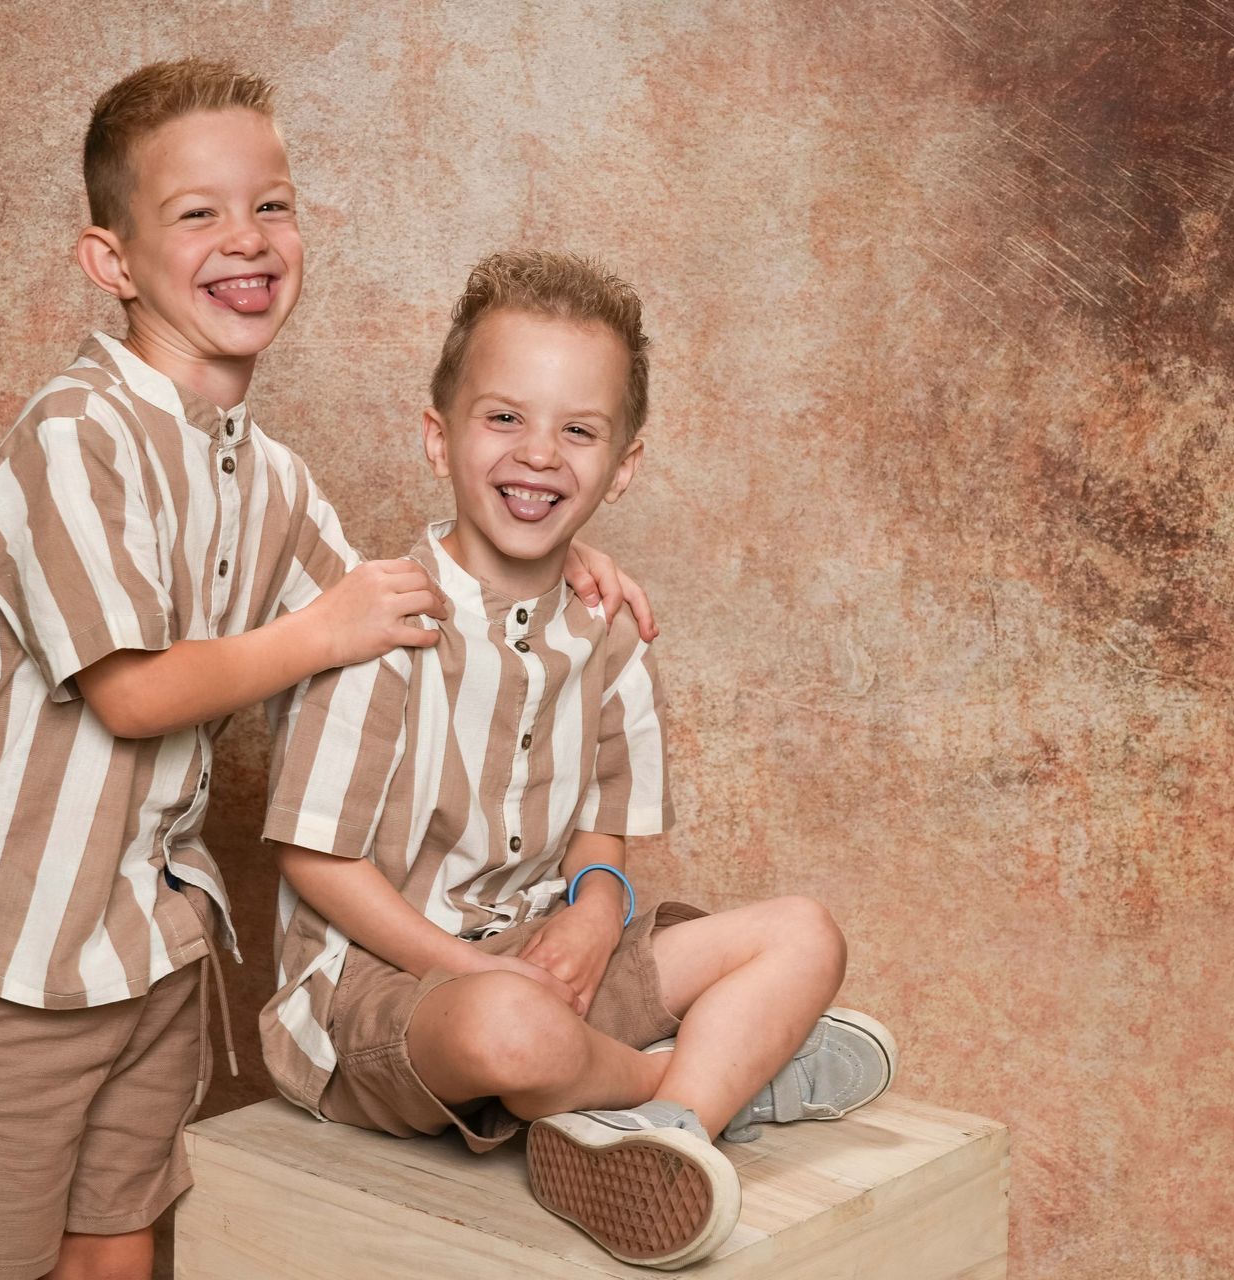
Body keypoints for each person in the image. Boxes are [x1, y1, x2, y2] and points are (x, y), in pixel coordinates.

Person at [0, 64, 652, 1280]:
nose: (246, 238)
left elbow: (412, 612)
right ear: (110, 260)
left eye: (272, 206)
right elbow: (132, 691)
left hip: (146, 939)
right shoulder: (76, 437)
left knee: (117, 1244)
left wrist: (558, 542)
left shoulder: (268, 475)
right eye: (197, 214)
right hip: (12, 951)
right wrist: (317, 633)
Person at [260, 249, 896, 1271]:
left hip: (549, 959)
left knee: (803, 933)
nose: (540, 454)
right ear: (440, 436)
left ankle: (670, 1130)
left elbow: (607, 814)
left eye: (579, 429)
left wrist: (598, 910)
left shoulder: (606, 633)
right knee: (514, 1027)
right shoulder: (382, 623)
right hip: (387, 994)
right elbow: (315, 861)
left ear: (623, 465)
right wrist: (474, 968)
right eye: (504, 417)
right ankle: (694, 1081)